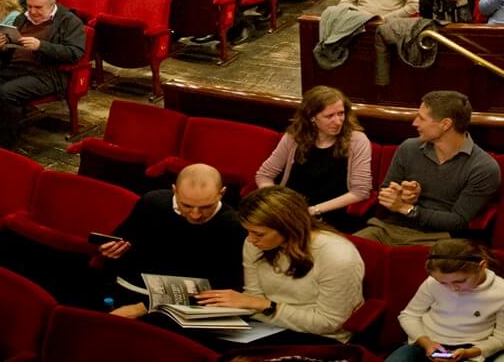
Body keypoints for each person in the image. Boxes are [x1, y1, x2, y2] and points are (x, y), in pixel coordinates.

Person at [162, 185, 363, 349]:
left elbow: (330, 323)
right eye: (248, 232)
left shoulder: (337, 256)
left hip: (322, 337)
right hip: (266, 325)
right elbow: (254, 295)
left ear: (288, 227)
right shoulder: (255, 243)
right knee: (181, 338)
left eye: (258, 233)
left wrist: (264, 305)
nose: (250, 240)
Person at [357, 90, 502, 246]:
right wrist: (401, 195)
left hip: (439, 240)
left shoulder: (483, 167)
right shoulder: (408, 147)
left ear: (445, 124)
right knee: (343, 251)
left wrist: (407, 208)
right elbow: (385, 192)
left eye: (422, 118)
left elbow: (458, 221)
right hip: (386, 229)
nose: (415, 123)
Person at [101, 164, 246, 315]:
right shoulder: (152, 202)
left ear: (222, 193)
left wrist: (143, 307)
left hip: (186, 305)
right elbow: (123, 242)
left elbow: (219, 285)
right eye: (187, 205)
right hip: (130, 288)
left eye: (205, 207)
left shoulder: (233, 225)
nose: (195, 215)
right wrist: (111, 251)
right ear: (174, 191)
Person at [0, 0, 85, 145]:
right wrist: (1, 46)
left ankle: (3, 142)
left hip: (46, 73)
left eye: (38, 7)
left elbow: (74, 53)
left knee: (8, 92)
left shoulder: (69, 21)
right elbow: (9, 51)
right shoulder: (22, 18)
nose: (32, 11)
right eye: (29, 6)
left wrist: (41, 46)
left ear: (52, 5)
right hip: (15, 67)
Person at [254, 86, 373, 220]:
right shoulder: (294, 136)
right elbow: (264, 175)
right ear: (312, 117)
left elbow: (361, 192)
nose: (338, 121)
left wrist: (313, 210)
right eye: (329, 116)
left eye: (341, 113)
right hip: (290, 208)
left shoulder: (357, 140)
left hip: (330, 212)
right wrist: (276, 203)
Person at [389, 238, 504, 362]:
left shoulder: (500, 291)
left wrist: (470, 353)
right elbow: (409, 315)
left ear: (482, 266)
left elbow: (501, 337)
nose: (453, 289)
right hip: (426, 342)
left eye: (460, 281)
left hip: (473, 348)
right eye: (442, 283)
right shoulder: (432, 282)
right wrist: (426, 343)